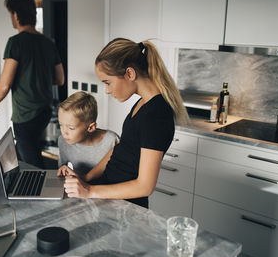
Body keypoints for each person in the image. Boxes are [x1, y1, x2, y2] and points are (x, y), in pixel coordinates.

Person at [58, 38, 189, 208]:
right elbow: (121, 149)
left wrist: (90, 190)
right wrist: (86, 179)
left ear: (129, 74)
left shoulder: (156, 115)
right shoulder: (143, 103)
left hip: (127, 206)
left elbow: (144, 186)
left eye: (108, 82)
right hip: (108, 192)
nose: (107, 90)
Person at [0, 0, 65, 168]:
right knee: (20, 151)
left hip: (25, 114)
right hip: (44, 111)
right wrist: (38, 77)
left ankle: (38, 189)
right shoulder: (48, 43)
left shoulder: (15, 42)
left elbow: (5, 83)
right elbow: (60, 79)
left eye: (10, 14)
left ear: (16, 15)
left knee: (32, 162)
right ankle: (16, 183)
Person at [57, 91, 119, 176]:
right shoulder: (63, 141)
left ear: (91, 127)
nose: (64, 132)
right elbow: (62, 169)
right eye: (61, 125)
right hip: (79, 187)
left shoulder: (111, 141)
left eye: (71, 128)